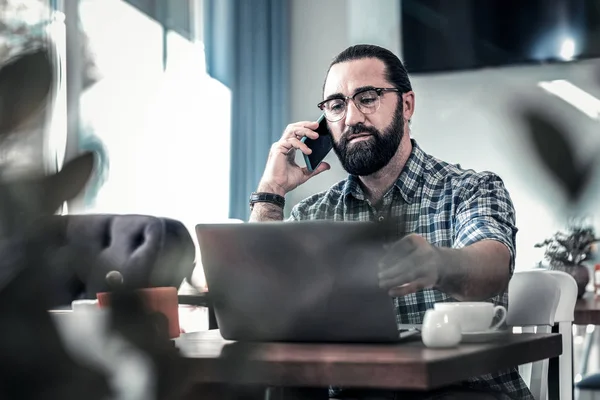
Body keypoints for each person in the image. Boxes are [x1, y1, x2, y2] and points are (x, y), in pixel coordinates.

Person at [249, 44, 529, 400]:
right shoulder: (313, 214)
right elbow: (258, 298)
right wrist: (271, 191)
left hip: (461, 391)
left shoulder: (470, 190)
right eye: (336, 105)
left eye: (367, 98)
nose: (350, 119)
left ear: (407, 105)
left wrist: (439, 263)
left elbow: (491, 269)